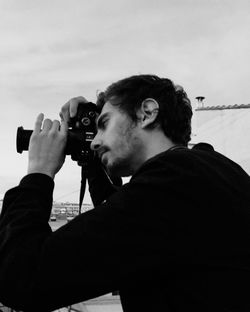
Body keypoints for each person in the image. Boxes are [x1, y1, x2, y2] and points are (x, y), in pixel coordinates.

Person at [0, 74, 250, 312]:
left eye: (104, 124)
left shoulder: (171, 184)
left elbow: (22, 278)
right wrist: (92, 150)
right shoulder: (207, 172)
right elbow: (118, 217)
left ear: (147, 113)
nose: (95, 142)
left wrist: (38, 173)